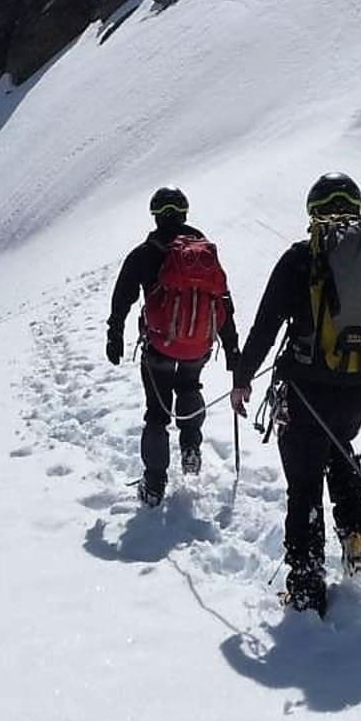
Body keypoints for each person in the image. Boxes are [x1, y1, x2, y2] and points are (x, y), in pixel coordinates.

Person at [230, 173, 361, 615]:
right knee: (338, 443)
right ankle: (354, 533)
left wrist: (243, 377)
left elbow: (265, 327)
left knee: (304, 483)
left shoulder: (299, 260)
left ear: (314, 212)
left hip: (305, 389)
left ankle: (307, 586)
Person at [107, 187, 240, 507]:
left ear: (155, 214)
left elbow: (122, 296)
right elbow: (223, 301)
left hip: (159, 347)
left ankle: (154, 483)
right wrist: (232, 348)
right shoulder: (204, 255)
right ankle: (191, 446)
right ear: (184, 213)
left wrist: (115, 334)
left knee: (157, 411)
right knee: (190, 385)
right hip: (198, 346)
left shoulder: (144, 253)